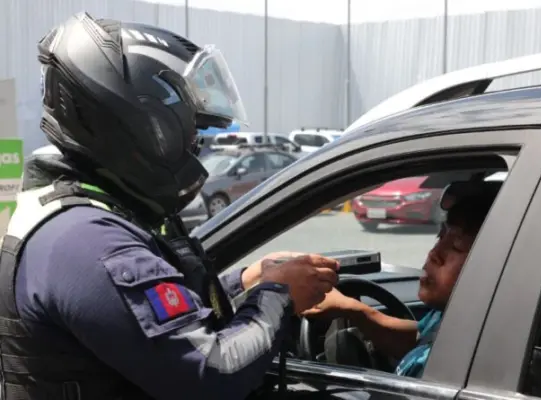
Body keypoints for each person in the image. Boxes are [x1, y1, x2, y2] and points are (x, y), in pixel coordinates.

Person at [0, 13, 339, 400]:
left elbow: (158, 315)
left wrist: (248, 281)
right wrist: (278, 295)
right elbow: (211, 372)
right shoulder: (88, 241)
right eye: (192, 129)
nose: (197, 143)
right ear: (144, 126)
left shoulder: (96, 217)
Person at [303, 187, 498, 378]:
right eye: (440, 237)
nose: (434, 254)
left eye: (456, 246)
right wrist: (354, 310)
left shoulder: (465, 363)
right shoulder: (453, 317)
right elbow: (419, 338)